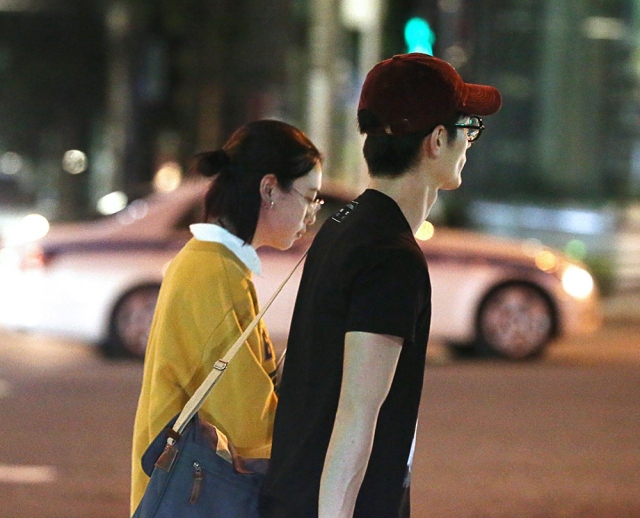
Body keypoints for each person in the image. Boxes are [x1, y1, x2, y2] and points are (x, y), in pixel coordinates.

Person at [259, 53, 502, 518]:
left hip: (295, 492)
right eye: (467, 127)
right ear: (436, 141)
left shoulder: (345, 224)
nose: (470, 142)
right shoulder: (391, 257)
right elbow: (356, 415)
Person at [129, 119, 323, 515]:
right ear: (269, 189)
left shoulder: (216, 264)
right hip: (191, 501)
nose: (311, 216)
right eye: (309, 198)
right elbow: (247, 422)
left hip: (187, 496)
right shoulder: (214, 274)